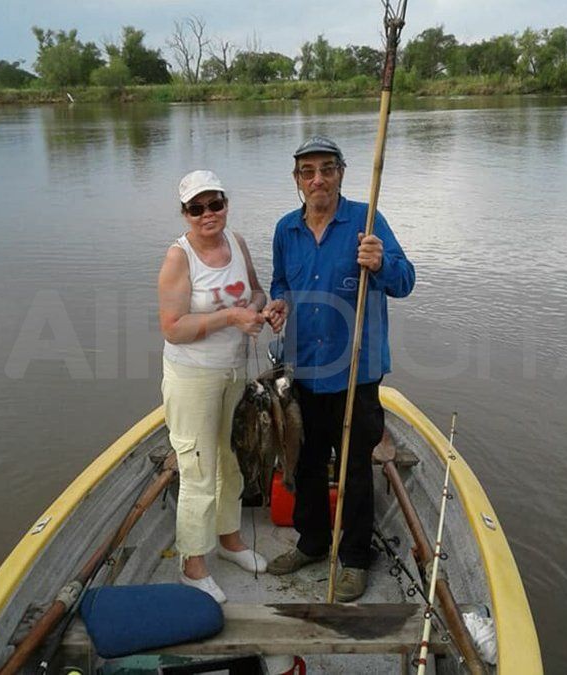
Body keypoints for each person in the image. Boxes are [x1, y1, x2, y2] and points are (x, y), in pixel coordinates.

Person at [263, 136, 415, 602]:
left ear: (342, 173)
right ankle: (312, 542)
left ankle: (353, 558)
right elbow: (280, 284)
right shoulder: (285, 230)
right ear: (297, 180)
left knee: (353, 468)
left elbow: (405, 280)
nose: (318, 179)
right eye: (308, 171)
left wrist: (382, 261)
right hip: (303, 371)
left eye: (327, 169)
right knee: (306, 463)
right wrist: (277, 307)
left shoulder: (366, 222)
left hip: (356, 373)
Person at [158, 170, 270, 603]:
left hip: (234, 373)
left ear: (226, 203)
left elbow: (256, 292)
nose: (208, 214)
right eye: (197, 208)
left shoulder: (236, 243)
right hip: (193, 378)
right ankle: (193, 565)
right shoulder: (178, 258)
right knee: (198, 471)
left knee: (233, 460)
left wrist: (262, 312)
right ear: (185, 214)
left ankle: (230, 540)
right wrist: (231, 318)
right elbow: (172, 328)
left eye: (215, 204)